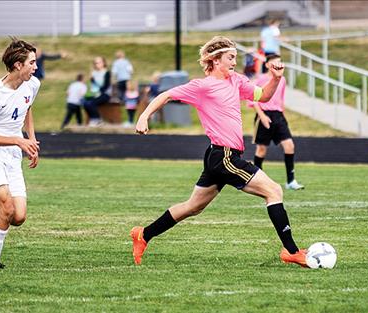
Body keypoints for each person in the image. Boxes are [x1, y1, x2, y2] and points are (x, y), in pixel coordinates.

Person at [131, 36, 307, 267]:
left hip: (222, 156)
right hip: (223, 156)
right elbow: (166, 95)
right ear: (215, 60)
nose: (235, 62)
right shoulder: (202, 86)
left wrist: (275, 79)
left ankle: (143, 234)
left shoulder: (236, 81)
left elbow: (262, 96)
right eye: (230, 57)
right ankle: (291, 251)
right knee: (273, 190)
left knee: (193, 207)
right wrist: (144, 116)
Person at [0, 38, 41, 269]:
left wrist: (31, 139)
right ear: (18, 65)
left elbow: (27, 108)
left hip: (14, 156)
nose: (35, 67)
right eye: (32, 62)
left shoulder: (32, 84)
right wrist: (18, 140)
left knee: (18, 217)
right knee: (6, 209)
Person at [247, 54, 304, 190]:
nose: (278, 65)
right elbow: (252, 99)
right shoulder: (260, 79)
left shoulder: (282, 79)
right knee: (261, 150)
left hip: (278, 116)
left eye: (280, 62)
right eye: (274, 62)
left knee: (289, 145)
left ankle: (291, 181)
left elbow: (281, 99)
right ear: (267, 65)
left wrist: (282, 115)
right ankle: (257, 181)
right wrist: (262, 116)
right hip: (264, 115)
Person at [83, 56, 111, 126]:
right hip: (94, 93)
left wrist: (98, 92)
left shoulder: (106, 73)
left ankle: (97, 119)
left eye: (99, 63)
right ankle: (93, 118)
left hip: (104, 94)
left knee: (92, 103)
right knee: (85, 102)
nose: (97, 64)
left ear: (103, 63)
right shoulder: (93, 73)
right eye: (95, 63)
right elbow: (91, 86)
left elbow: (105, 86)